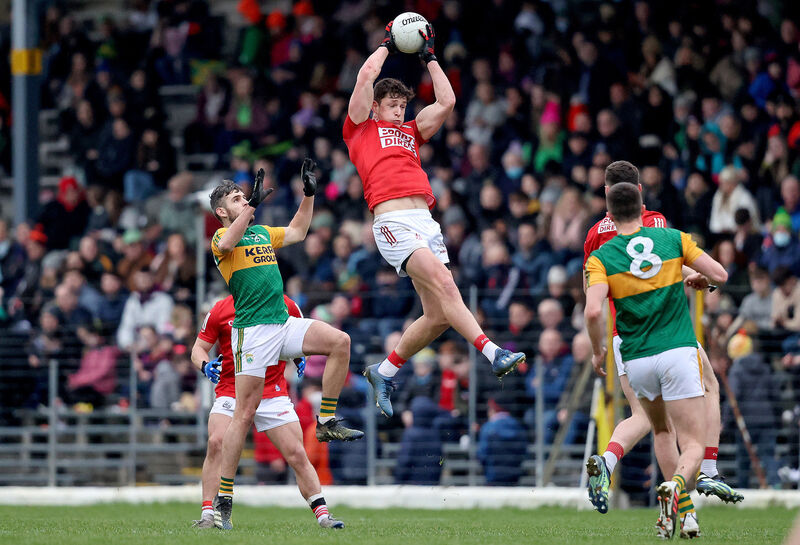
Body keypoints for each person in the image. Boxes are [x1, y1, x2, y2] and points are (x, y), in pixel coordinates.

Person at [343, 20, 525, 418]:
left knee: (439, 316)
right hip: (393, 221)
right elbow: (367, 74)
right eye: (392, 104)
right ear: (375, 107)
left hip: (426, 220)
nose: (399, 109)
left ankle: (385, 369)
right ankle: (493, 352)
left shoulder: (411, 131)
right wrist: (388, 45)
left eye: (402, 104)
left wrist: (429, 58)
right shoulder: (359, 130)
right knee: (446, 284)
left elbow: (446, 103)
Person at [582, 161, 742, 527]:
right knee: (708, 388)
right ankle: (708, 471)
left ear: (607, 195)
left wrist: (597, 347)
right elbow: (662, 262)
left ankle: (672, 508)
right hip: (670, 335)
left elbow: (592, 297)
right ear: (640, 193)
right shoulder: (658, 223)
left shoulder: (594, 239)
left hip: (626, 339)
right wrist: (696, 276)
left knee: (650, 423)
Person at [209, 161, 363, 530]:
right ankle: (223, 499)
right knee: (243, 415)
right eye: (237, 198)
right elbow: (229, 240)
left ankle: (325, 420)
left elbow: (297, 230)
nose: (244, 200)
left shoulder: (261, 232)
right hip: (253, 332)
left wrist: (309, 195)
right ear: (221, 212)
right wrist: (251, 208)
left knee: (340, 341)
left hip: (282, 323)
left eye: (244, 196)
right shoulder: (220, 240)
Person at [190, 294, 344, 529]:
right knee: (216, 442)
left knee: (296, 453)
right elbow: (199, 348)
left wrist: (300, 356)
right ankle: (209, 515)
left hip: (272, 393)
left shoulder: (287, 305)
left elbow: (302, 338)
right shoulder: (221, 309)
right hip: (232, 391)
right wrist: (205, 365)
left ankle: (323, 515)